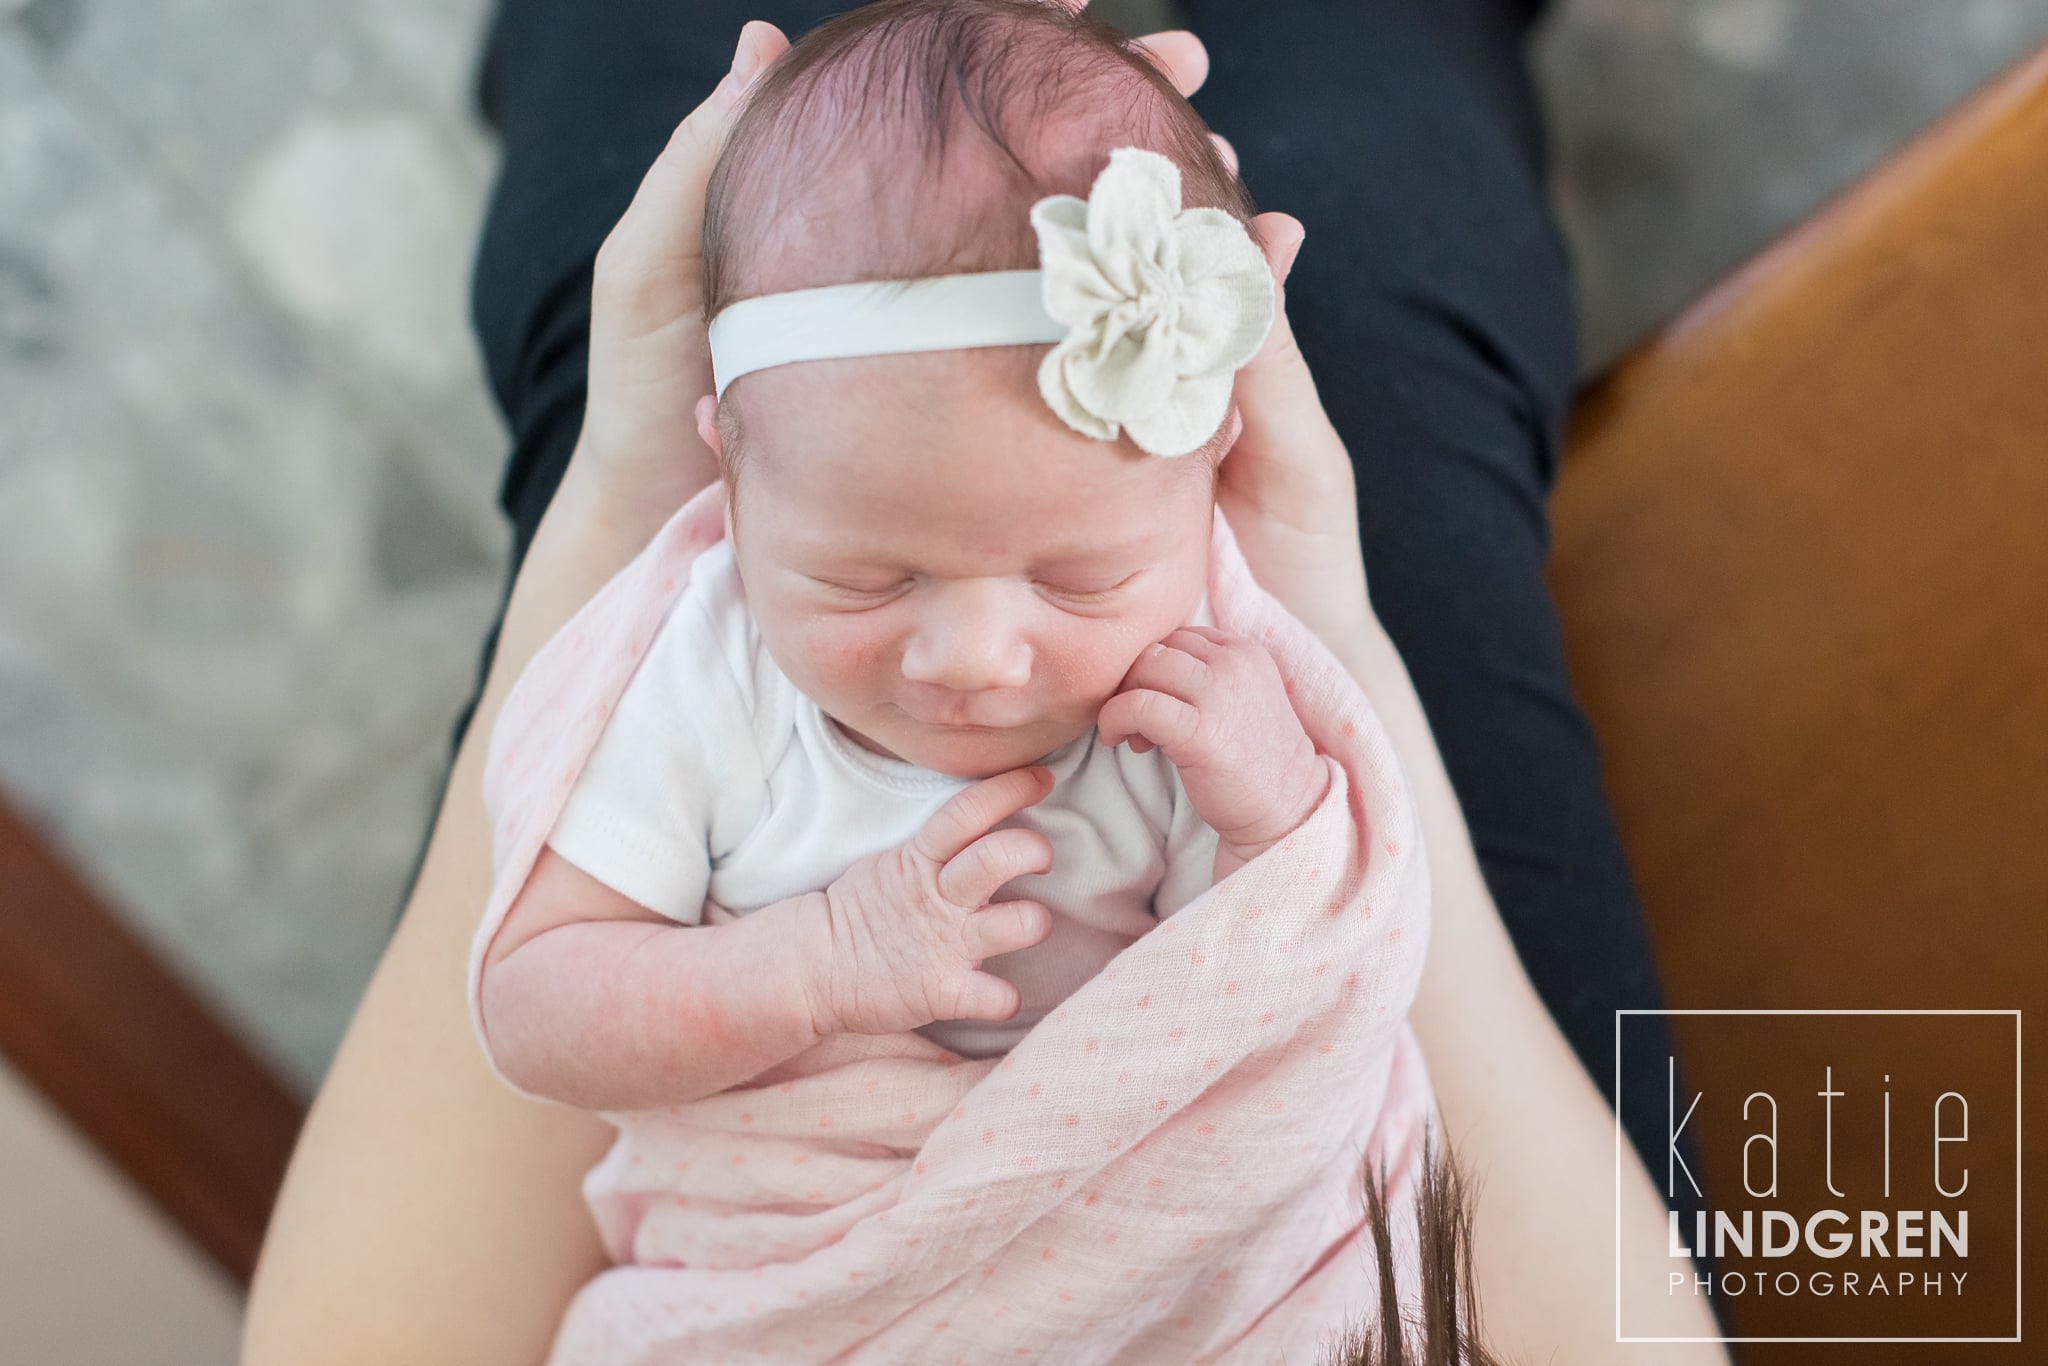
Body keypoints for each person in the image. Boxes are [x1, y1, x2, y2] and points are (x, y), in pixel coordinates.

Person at [243, 2, 1726, 1362]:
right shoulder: (1145, 649)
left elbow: (535, 1007)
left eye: (1068, 582)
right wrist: (1310, 686)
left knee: (623, 196)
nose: (972, 657)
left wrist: (625, 494)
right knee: (1385, 292)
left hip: (789, 1222)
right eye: (873, 580)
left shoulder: (698, 656)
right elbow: (1301, 959)